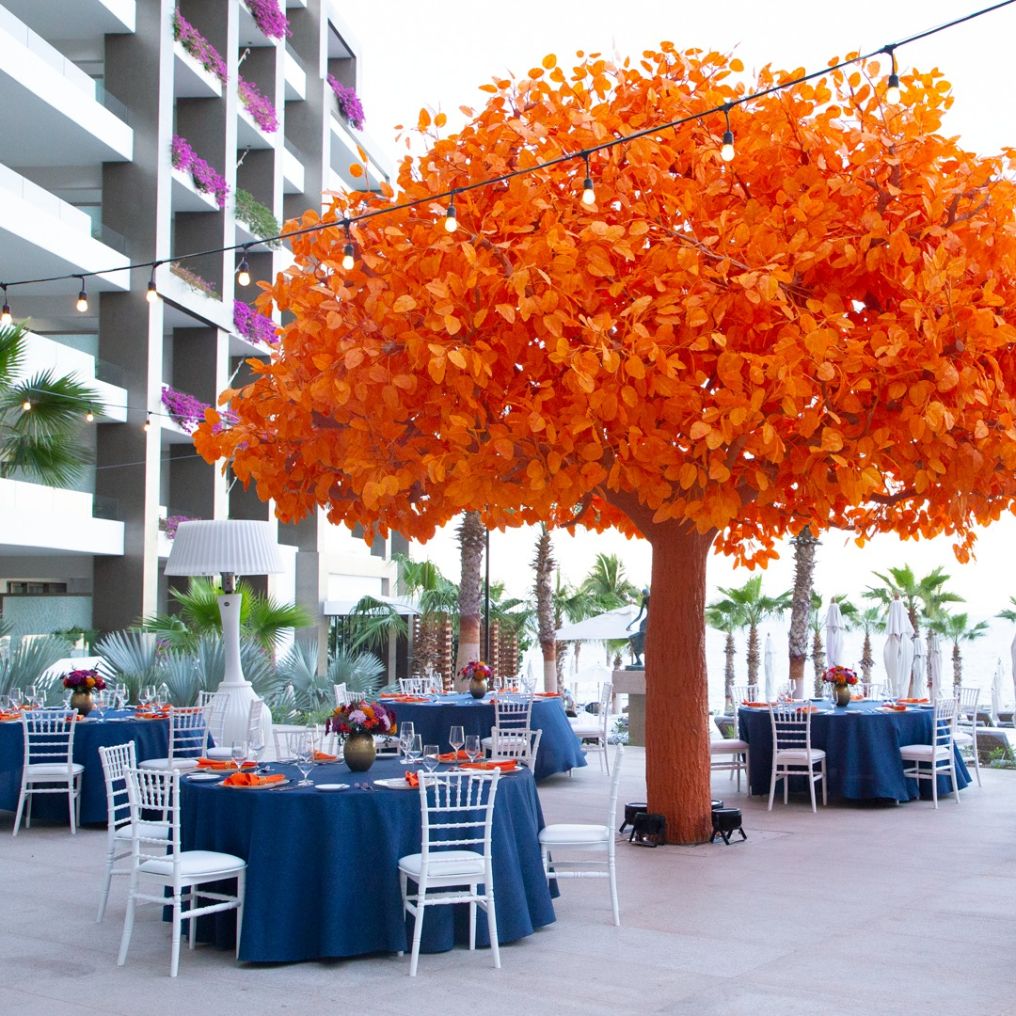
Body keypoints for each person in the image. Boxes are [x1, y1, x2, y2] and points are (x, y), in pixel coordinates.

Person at [626, 587, 650, 667]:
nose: (646, 596)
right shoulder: (644, 600)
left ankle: (642, 655)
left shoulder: (652, 598)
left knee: (638, 638)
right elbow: (639, 616)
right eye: (644, 594)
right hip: (644, 624)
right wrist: (630, 624)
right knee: (632, 638)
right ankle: (639, 660)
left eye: (646, 594)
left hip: (649, 625)